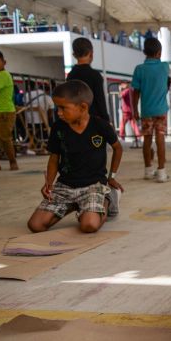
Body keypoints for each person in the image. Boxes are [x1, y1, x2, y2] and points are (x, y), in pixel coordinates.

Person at [26, 80, 124, 233]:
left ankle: (106, 199)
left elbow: (118, 148)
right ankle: (76, 205)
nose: (58, 112)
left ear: (83, 107)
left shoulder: (101, 125)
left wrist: (111, 176)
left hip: (93, 185)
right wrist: (49, 184)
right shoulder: (58, 127)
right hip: (65, 186)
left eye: (63, 108)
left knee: (89, 226)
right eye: (57, 107)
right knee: (35, 225)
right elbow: (54, 157)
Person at [131, 38, 171, 182]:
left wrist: (135, 109)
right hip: (161, 110)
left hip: (146, 110)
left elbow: (135, 92)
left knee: (147, 140)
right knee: (160, 139)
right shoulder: (165, 67)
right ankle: (161, 171)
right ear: (159, 53)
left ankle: (148, 170)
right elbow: (167, 84)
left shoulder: (139, 69)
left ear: (144, 52)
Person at [66, 37, 110, 122]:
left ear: (74, 55)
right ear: (91, 54)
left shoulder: (70, 75)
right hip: (93, 120)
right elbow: (100, 101)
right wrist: (106, 120)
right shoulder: (95, 75)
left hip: (76, 118)